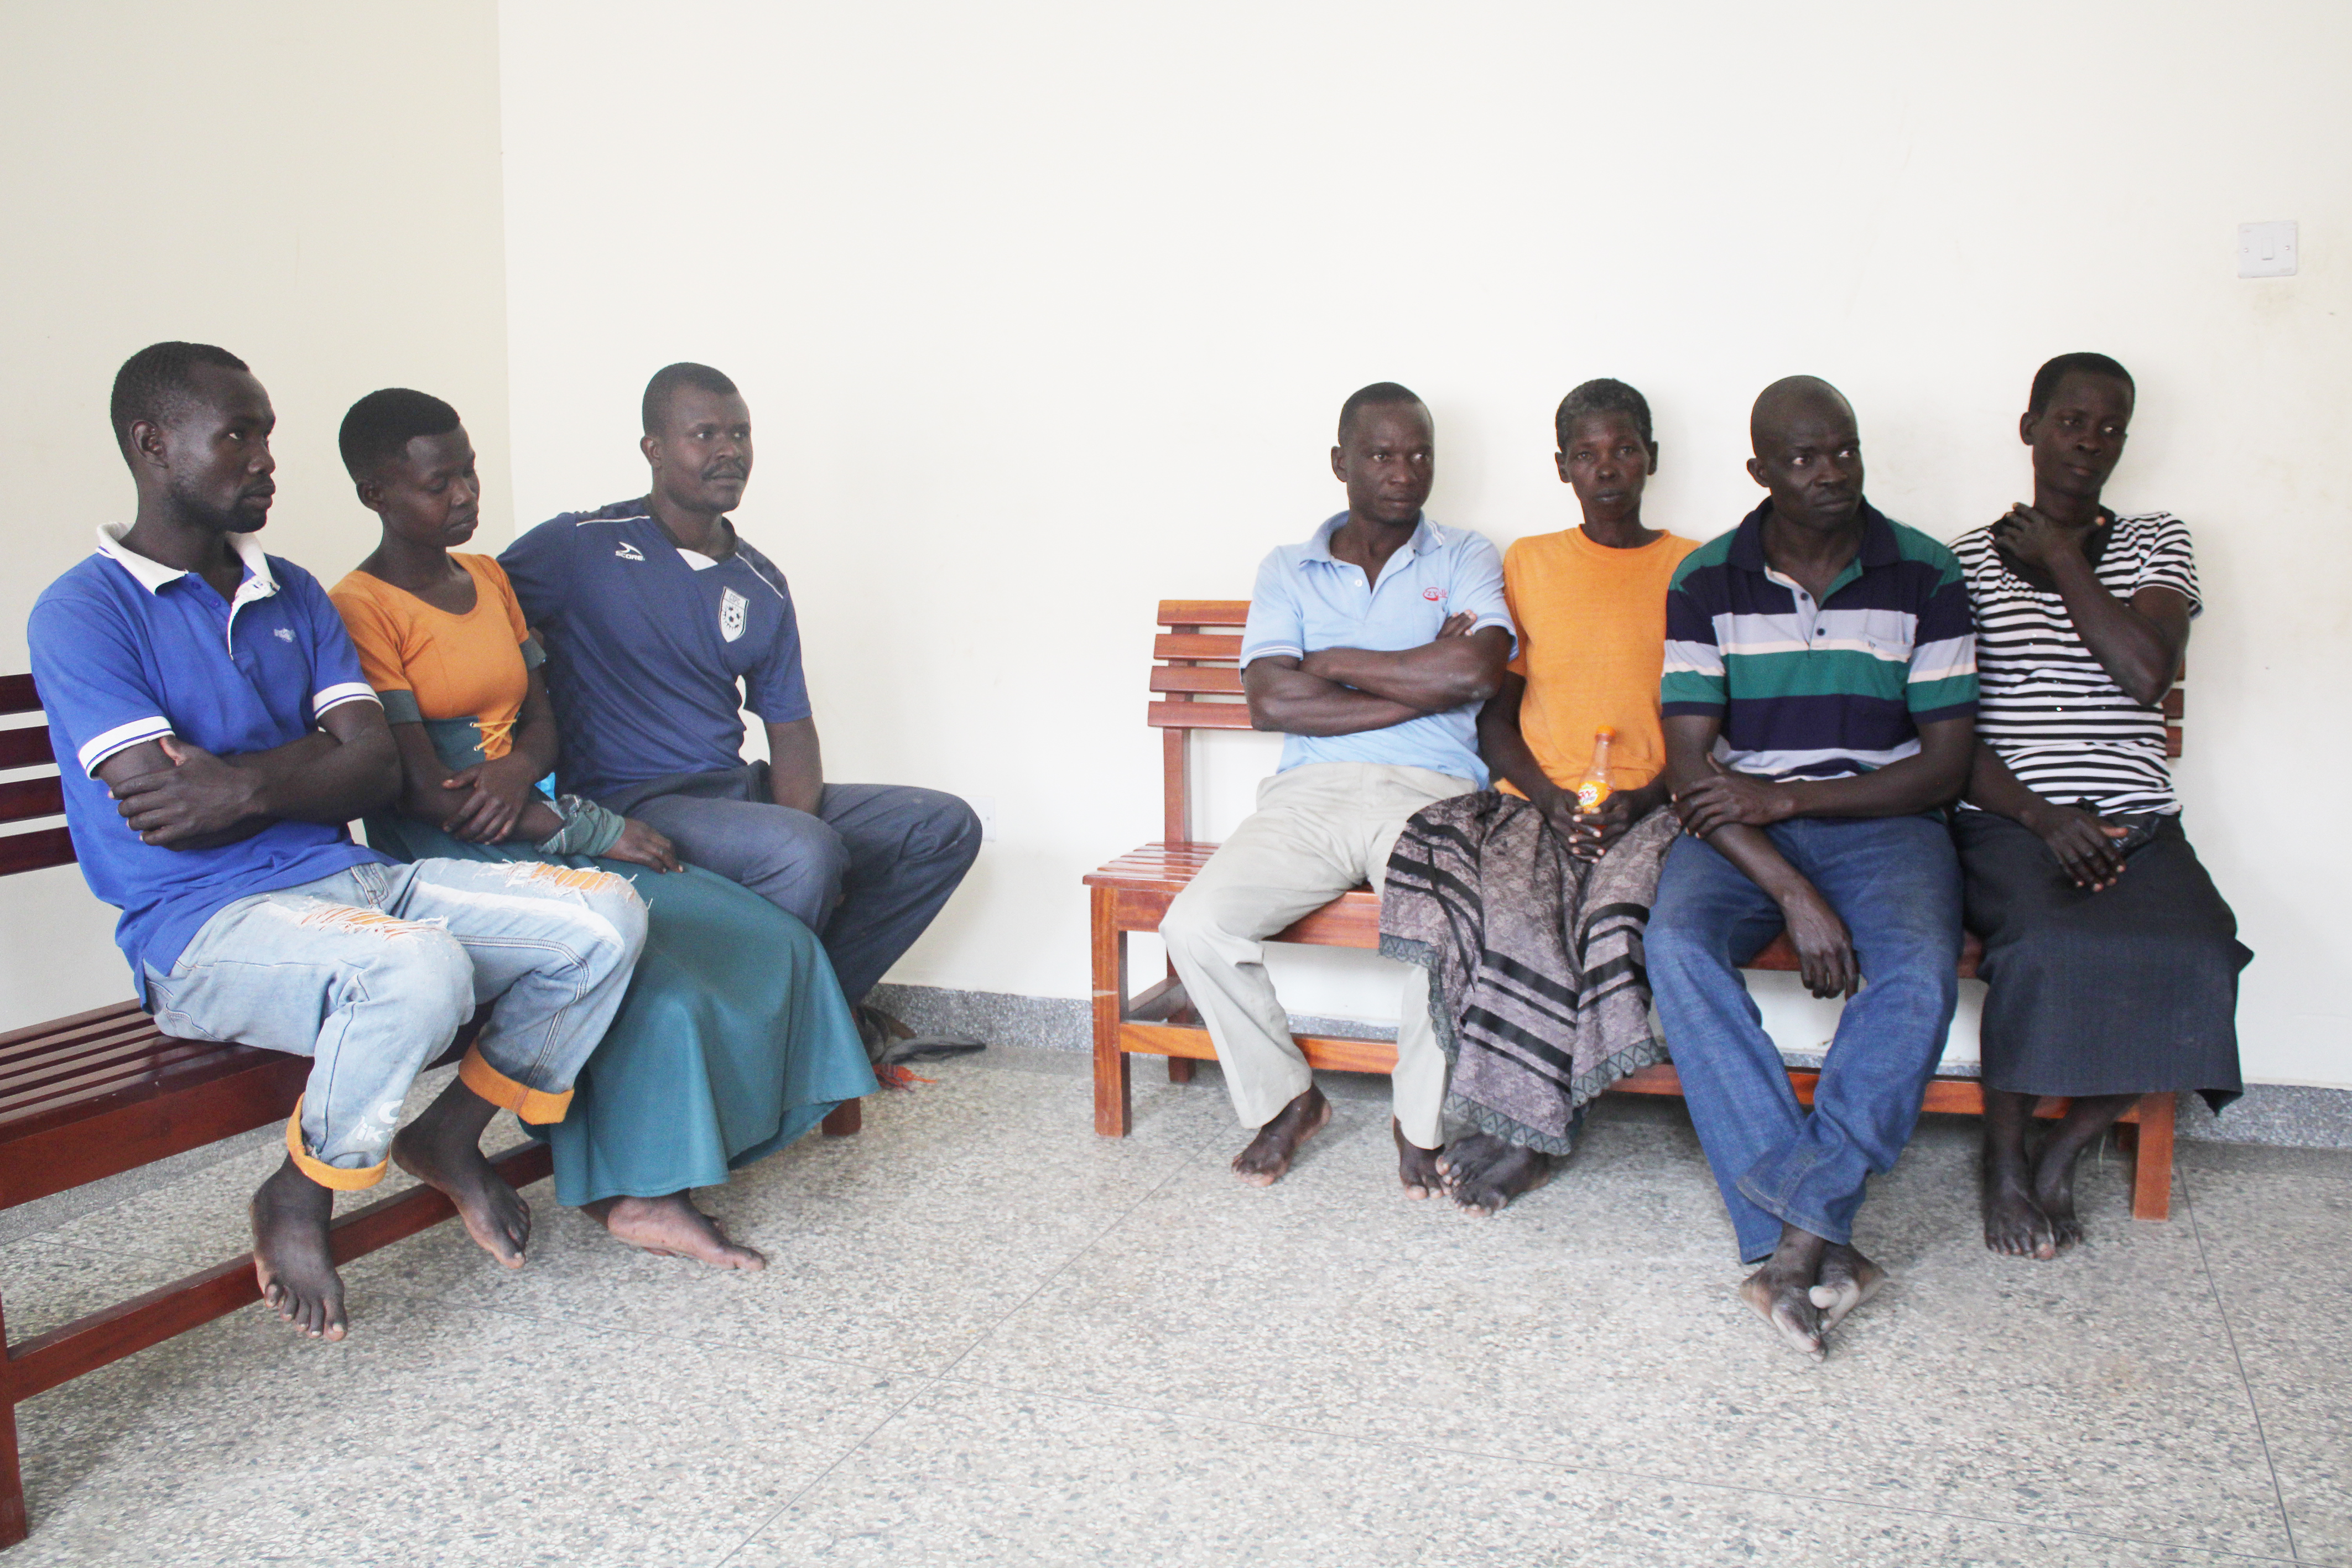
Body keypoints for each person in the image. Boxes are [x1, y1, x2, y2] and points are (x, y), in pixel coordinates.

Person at [28, 343, 648, 1341]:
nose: (266, 458)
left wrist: (239, 782)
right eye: (238, 434)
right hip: (201, 927)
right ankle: (300, 1189)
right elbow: (164, 806)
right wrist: (309, 764)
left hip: (351, 882)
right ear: (153, 444)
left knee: (607, 916)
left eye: (268, 433)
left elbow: (372, 768)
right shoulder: (83, 611)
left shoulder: (295, 592)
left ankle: (449, 1134)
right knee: (418, 969)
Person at [328, 389, 877, 1272]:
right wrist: (583, 825)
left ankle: (708, 1142)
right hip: (450, 841)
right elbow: (422, 787)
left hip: (536, 815)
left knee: (772, 939)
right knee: (656, 981)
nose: (465, 494)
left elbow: (542, 722)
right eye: (439, 483)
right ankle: (637, 1193)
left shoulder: (491, 579)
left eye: (470, 472)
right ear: (375, 494)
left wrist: (531, 782)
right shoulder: (360, 605)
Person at [1647, 376, 1978, 1357]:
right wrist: (1793, 890)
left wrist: (1788, 800)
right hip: (1738, 833)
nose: (1831, 472)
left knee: (1918, 972)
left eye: (1844, 449)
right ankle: (1810, 1234)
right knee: (1676, 945)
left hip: (1884, 821)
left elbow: (1945, 764)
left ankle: (1793, 1242)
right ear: (1760, 470)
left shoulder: (1925, 571)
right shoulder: (1706, 579)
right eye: (1803, 457)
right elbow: (1690, 768)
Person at [498, 363, 980, 1034]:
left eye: (740, 434)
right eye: (705, 434)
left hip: (730, 792)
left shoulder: (762, 582)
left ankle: (812, 1017)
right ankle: (771, 1033)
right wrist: (523, 747)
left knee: (940, 826)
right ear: (654, 449)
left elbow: (792, 730)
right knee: (801, 852)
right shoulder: (579, 547)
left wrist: (806, 831)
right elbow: (478, 617)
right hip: (632, 799)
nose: (729, 451)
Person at [1158, 383, 1513, 1194]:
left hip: (1430, 793)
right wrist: (1420, 681)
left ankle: (1418, 1121)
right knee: (1195, 924)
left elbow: (1475, 671)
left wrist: (1333, 663)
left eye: (1419, 454)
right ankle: (1289, 1099)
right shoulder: (1288, 568)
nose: (1404, 472)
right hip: (1308, 796)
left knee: (1454, 922)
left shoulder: (1465, 554)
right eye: (1382, 454)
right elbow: (1270, 702)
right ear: (1340, 462)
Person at [1954, 352, 2247, 1259]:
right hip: (2013, 820)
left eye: (2110, 426)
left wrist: (2061, 556)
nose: (2091, 441)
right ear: (2029, 428)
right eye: (2071, 421)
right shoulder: (1961, 562)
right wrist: (2043, 817)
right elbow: (1948, 734)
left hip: (2137, 819)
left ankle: (2064, 1150)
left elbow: (2144, 672)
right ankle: (2004, 1157)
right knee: (2043, 949)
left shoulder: (2157, 540)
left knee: (2201, 952)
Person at [1381, 379, 1698, 1215]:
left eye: (1624, 449)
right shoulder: (1530, 563)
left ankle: (1533, 1129)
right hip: (1541, 802)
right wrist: (1550, 797)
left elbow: (1710, 717)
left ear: (1652, 458)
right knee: (1515, 913)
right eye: (1586, 454)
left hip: (1655, 807)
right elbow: (1497, 716)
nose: (1607, 468)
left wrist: (1644, 799)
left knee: (1612, 919)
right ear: (1562, 467)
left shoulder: (1694, 567)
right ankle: (1520, 1119)